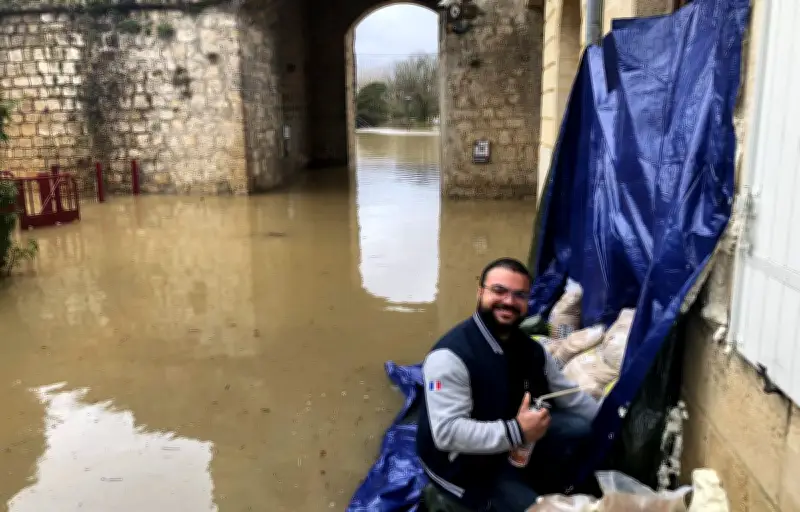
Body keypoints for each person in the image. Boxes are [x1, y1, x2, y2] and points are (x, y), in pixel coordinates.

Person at [416, 257, 601, 512]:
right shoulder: (450, 357)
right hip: (465, 468)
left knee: (579, 428)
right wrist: (517, 431)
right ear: (480, 292)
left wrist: (610, 423)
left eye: (519, 295)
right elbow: (447, 433)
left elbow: (570, 395)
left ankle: (528, 477)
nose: (508, 302)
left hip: (513, 441)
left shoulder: (532, 351)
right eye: (499, 291)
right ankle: (446, 499)